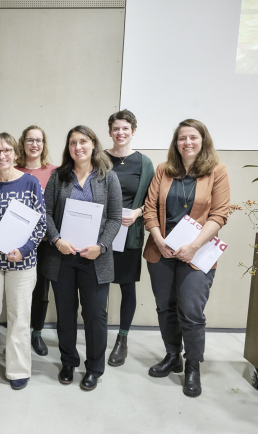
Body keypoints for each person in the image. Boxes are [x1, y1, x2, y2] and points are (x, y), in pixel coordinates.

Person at [144, 119, 230, 398]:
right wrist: (159, 239)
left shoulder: (217, 171)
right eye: (182, 138)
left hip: (198, 253)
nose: (187, 143)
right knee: (164, 308)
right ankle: (173, 356)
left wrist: (193, 246)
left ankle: (193, 365)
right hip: (162, 251)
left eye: (193, 137)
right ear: (176, 143)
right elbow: (149, 210)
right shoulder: (163, 170)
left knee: (191, 312)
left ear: (203, 140)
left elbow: (219, 214)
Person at [43, 125, 122, 391]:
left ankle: (94, 368)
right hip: (63, 257)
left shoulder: (108, 177)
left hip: (95, 259)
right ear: (68, 148)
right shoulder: (58, 177)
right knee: (65, 314)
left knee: (95, 316)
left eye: (83, 142)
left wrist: (101, 245)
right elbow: (47, 215)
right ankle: (68, 362)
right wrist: (56, 241)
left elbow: (114, 218)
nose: (78, 147)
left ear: (93, 144)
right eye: (73, 143)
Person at [0, 132, 46, 391]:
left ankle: (18, 369)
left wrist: (24, 250)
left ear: (15, 153)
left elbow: (41, 222)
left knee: (19, 317)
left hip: (22, 263)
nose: (1, 155)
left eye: (6, 150)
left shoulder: (30, 183)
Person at [104, 110, 154, 367]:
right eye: (116, 129)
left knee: (126, 287)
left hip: (129, 234)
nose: (120, 133)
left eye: (125, 128)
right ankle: (97, 335)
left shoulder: (144, 163)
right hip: (101, 234)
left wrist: (138, 212)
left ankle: (122, 339)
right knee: (96, 286)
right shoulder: (99, 158)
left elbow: (152, 200)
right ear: (110, 132)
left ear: (133, 131)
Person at [15, 125, 58, 357]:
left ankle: (37, 332)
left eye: (39, 140)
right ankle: (18, 331)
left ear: (44, 143)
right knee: (19, 289)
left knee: (41, 288)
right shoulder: (12, 170)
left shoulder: (55, 171)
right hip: (19, 240)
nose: (34, 144)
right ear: (23, 143)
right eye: (30, 140)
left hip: (46, 241)